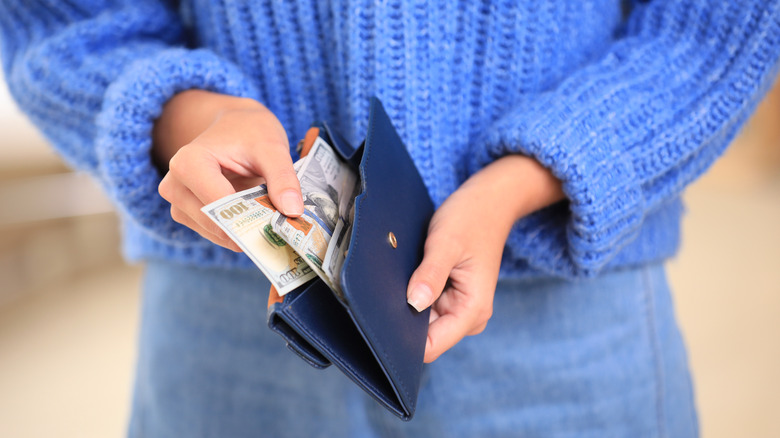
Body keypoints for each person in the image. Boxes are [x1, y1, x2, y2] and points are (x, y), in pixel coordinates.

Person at [2, 0, 778, 436]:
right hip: (235, 317)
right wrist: (182, 112)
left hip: (563, 320)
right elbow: (59, 18)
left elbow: (715, 24)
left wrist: (530, 174)